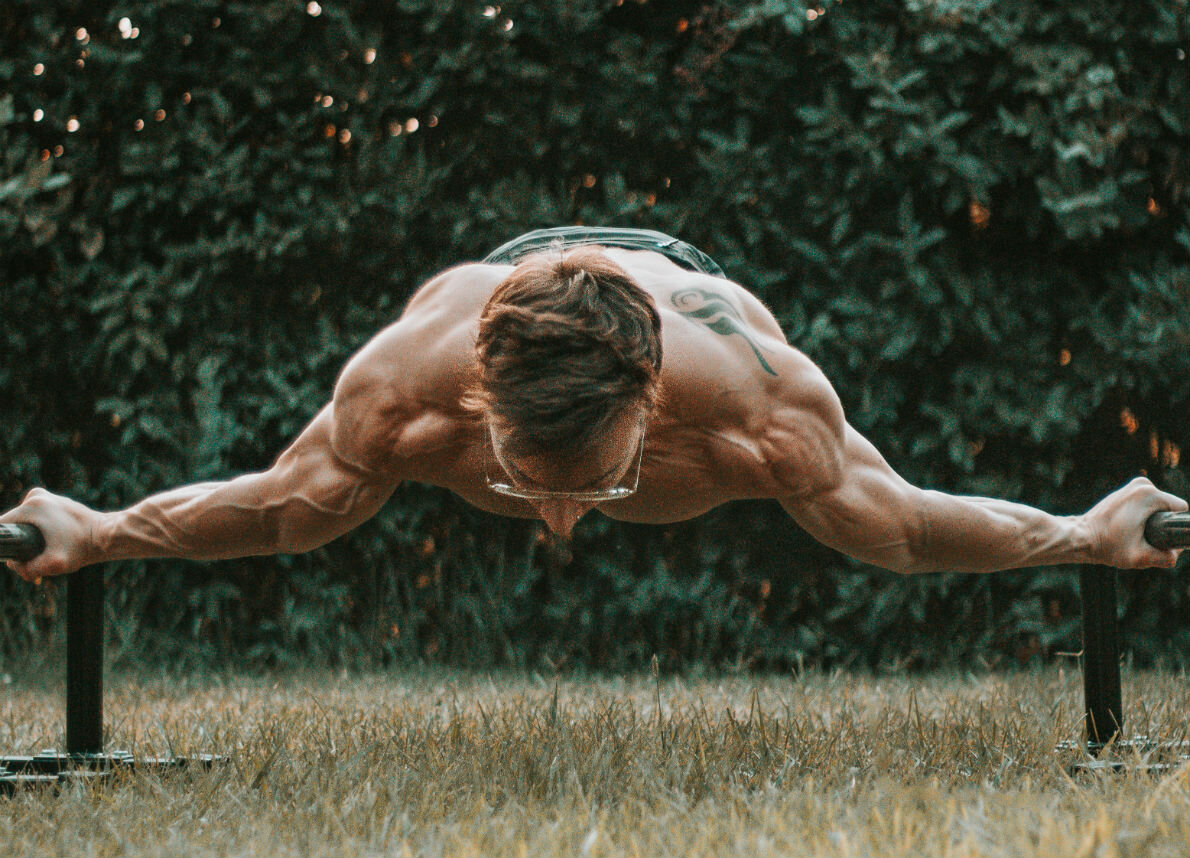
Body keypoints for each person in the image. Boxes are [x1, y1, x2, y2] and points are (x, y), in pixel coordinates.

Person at [2, 226, 1186, 582]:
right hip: (497, 281)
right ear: (479, 398)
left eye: (601, 482)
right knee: (317, 506)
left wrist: (1083, 531)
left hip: (671, 280)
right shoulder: (402, 390)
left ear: (653, 399)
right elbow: (275, 509)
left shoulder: (756, 402)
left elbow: (911, 524)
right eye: (522, 481)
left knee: (858, 521)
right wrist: (101, 530)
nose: (560, 520)